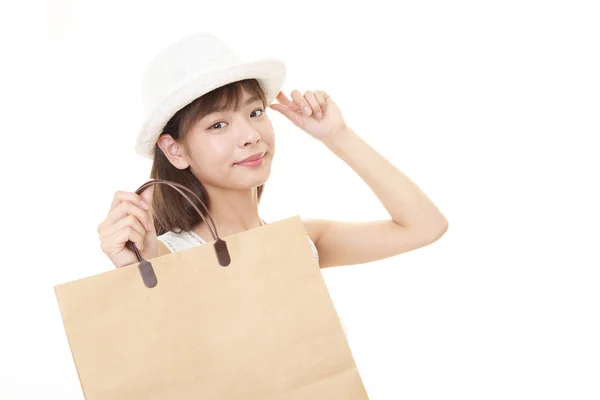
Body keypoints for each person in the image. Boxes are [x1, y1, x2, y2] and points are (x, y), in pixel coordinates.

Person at [97, 31, 449, 270]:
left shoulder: (298, 241)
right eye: (218, 124)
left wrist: (337, 135)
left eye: (255, 112)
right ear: (175, 150)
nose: (250, 135)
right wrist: (140, 267)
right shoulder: (163, 256)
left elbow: (425, 226)